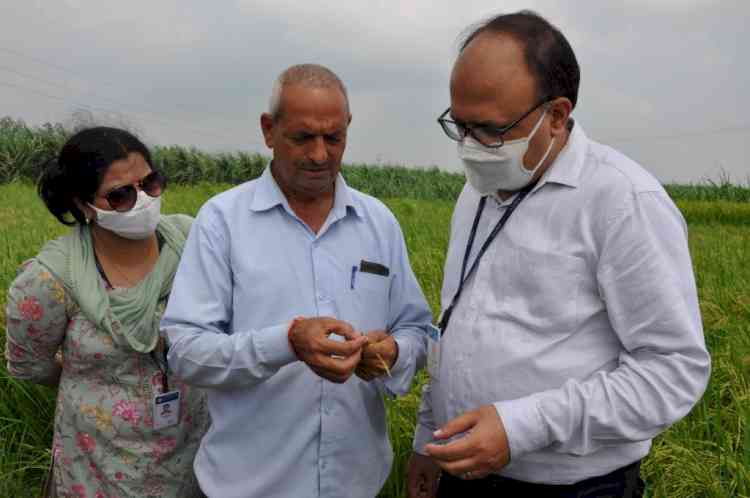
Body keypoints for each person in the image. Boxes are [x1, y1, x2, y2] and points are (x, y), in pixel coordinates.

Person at [407, 10, 711, 498]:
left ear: (556, 114)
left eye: (489, 129)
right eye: (459, 126)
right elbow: (459, 324)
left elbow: (673, 371)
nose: (469, 147)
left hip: (574, 489)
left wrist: (521, 427)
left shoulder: (621, 201)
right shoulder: (478, 192)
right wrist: (428, 437)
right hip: (462, 470)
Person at [160, 64, 433, 498]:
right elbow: (186, 350)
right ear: (269, 130)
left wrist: (392, 352)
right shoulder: (223, 221)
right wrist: (287, 342)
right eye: (303, 137)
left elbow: (417, 329)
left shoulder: (378, 222)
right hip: (248, 486)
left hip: (357, 484)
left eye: (334, 138)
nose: (320, 155)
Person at [5, 127, 209, 498]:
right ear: (84, 204)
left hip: (190, 456)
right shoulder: (50, 280)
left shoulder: (191, 243)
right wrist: (97, 382)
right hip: (97, 468)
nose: (143, 200)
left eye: (151, 183)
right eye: (121, 195)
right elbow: (30, 364)